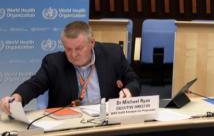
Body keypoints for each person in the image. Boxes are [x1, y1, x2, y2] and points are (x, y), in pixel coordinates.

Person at [0, 21, 140, 113]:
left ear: (92, 43)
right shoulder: (54, 63)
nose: (73, 54)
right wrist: (16, 98)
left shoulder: (112, 54)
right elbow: (34, 85)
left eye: (78, 48)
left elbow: (133, 80)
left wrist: (129, 90)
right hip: (68, 125)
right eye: (68, 49)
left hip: (106, 121)